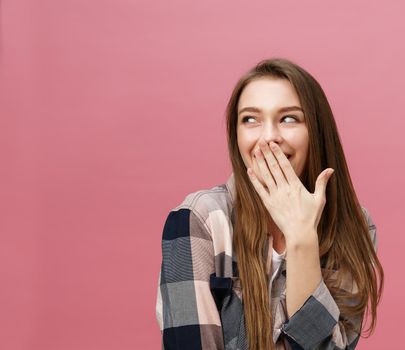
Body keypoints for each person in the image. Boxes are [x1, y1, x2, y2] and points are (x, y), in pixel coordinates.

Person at [155, 57, 384, 350]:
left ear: (316, 131)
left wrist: (302, 239)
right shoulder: (199, 219)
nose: (269, 137)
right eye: (250, 119)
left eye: (289, 118)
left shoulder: (354, 225)